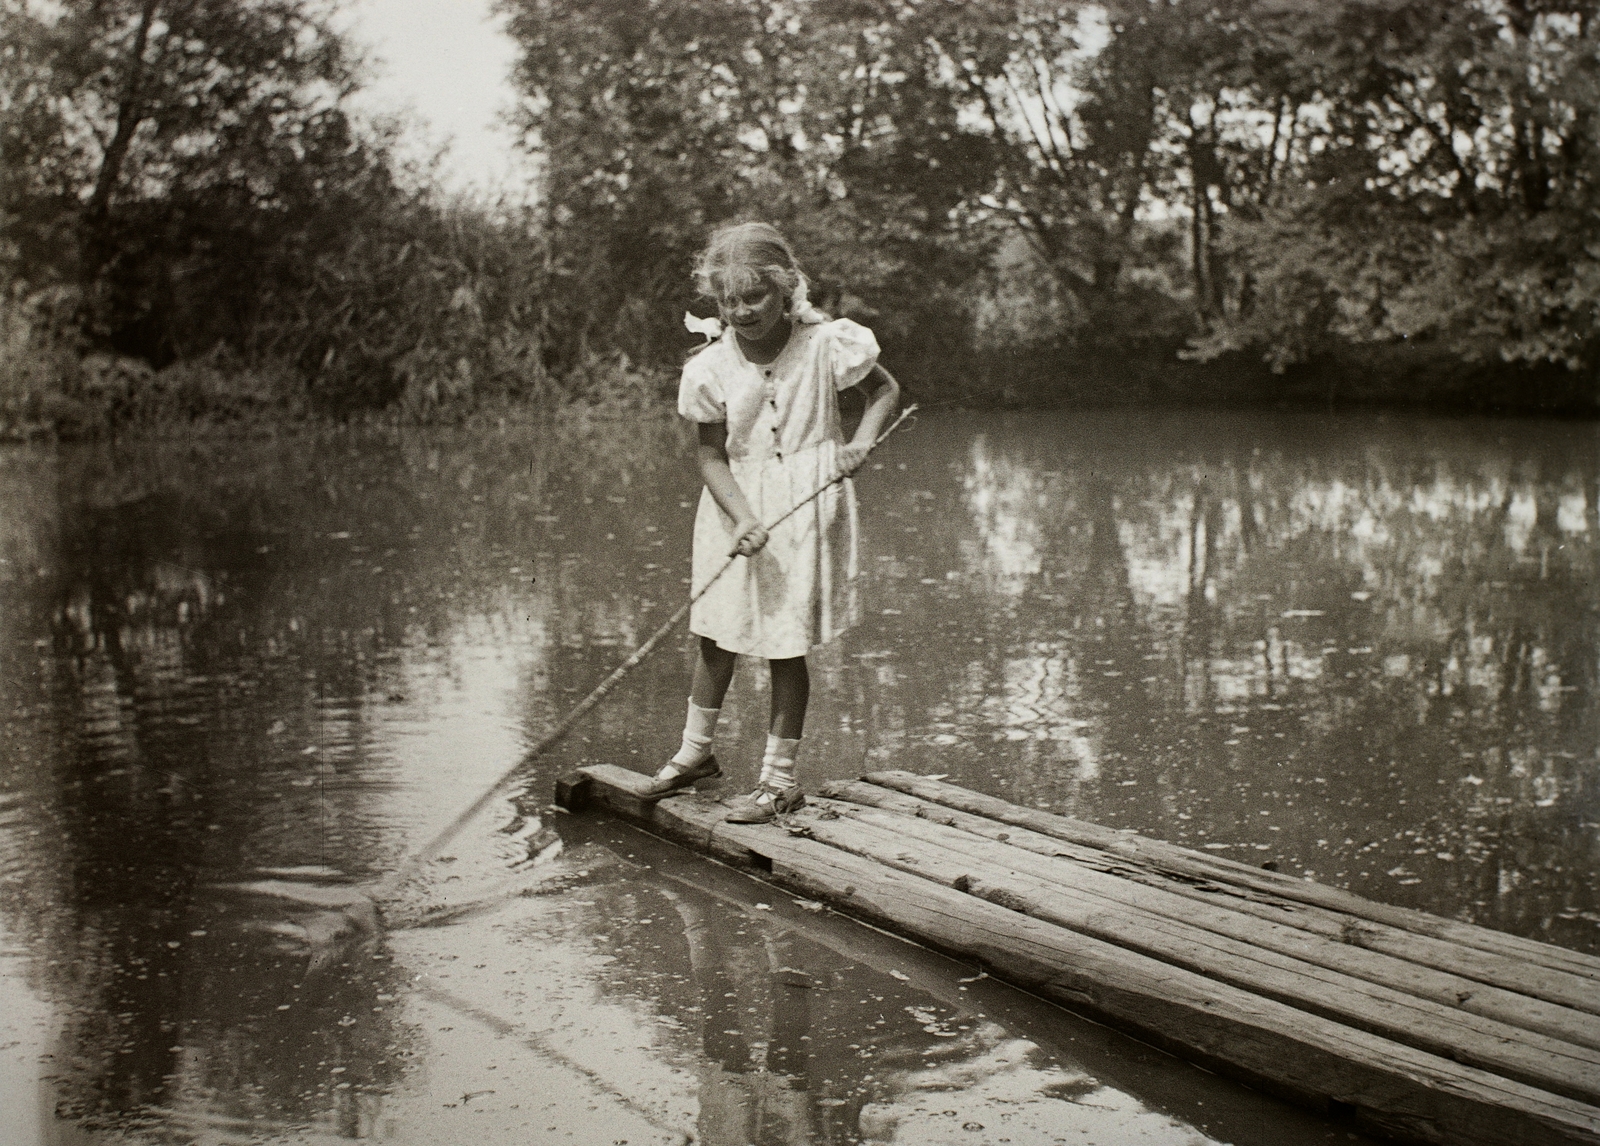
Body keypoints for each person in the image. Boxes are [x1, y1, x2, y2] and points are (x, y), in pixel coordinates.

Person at [643, 222, 900, 823]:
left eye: (754, 296)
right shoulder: (708, 367)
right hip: (735, 505)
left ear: (786, 289)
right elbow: (710, 456)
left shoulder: (826, 345)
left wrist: (859, 445)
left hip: (806, 502)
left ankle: (777, 780)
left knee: (785, 645)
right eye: (728, 301)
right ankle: (694, 754)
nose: (741, 311)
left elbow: (885, 392)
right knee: (716, 636)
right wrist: (741, 518)